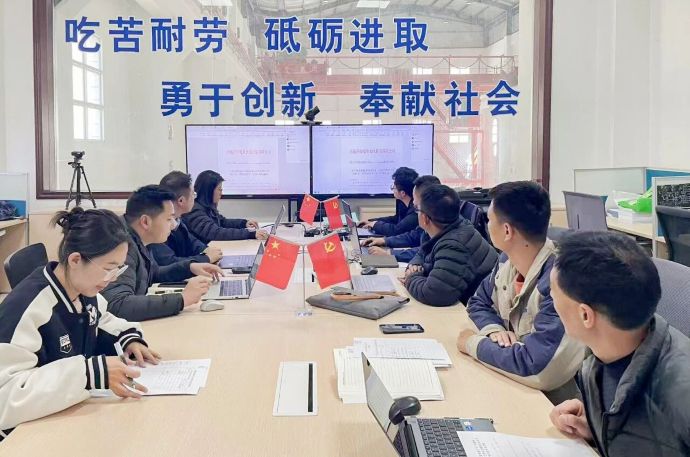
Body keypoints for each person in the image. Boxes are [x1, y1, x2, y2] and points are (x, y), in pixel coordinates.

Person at [0, 208, 161, 440]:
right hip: (21, 435)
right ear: (75, 260)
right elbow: (5, 397)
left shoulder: (82, 289)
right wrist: (87, 373)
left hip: (60, 416)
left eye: (119, 269)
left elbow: (104, 319)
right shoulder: (28, 307)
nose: (112, 279)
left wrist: (129, 339)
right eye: (108, 269)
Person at [549, 232, 690, 457]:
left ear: (585, 315)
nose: (551, 300)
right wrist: (597, 430)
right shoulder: (600, 358)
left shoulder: (681, 392)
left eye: (553, 294)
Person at [456, 181, 585, 394]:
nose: (487, 226)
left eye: (490, 220)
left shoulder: (561, 283)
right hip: (509, 383)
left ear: (507, 231)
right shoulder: (506, 261)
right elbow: (478, 302)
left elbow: (538, 367)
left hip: (552, 402)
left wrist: (472, 343)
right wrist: (494, 330)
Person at [102, 185, 222, 322]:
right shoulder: (121, 246)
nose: (172, 225)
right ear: (145, 222)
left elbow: (153, 273)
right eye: (169, 219)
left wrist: (190, 267)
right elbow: (118, 305)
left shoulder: (138, 239)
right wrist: (182, 299)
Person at [401, 184, 498, 307]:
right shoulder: (445, 228)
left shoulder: (453, 246)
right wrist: (415, 265)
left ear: (425, 218)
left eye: (417, 209)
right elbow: (422, 252)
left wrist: (412, 277)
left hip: (475, 308)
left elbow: (435, 294)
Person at [150, 171, 223, 266]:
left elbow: (192, 242)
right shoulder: (157, 225)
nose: (195, 198)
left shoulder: (177, 220)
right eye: (193, 194)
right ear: (181, 200)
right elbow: (168, 262)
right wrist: (206, 258)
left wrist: (206, 250)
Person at [363, 175, 440, 263]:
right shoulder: (431, 217)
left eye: (416, 206)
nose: (413, 203)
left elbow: (426, 252)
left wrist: (389, 253)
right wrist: (384, 241)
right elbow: (413, 237)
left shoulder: (440, 225)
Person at [183, 170, 268, 243]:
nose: (221, 193)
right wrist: (250, 234)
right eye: (219, 189)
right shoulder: (194, 211)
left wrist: (244, 223)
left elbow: (222, 222)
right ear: (209, 191)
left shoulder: (207, 207)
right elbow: (215, 233)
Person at [359, 167, 419, 236]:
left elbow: (396, 230)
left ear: (403, 193)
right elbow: (395, 219)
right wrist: (371, 222)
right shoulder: (402, 203)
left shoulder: (416, 210)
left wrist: (375, 225)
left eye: (394, 187)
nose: (392, 189)